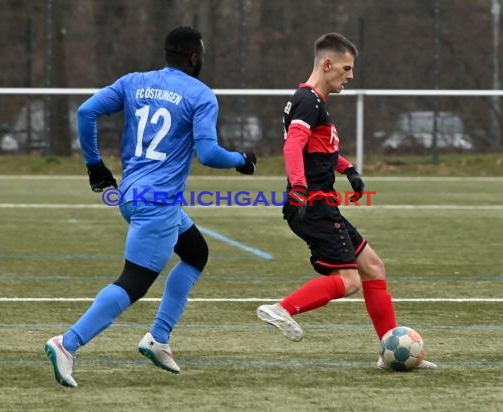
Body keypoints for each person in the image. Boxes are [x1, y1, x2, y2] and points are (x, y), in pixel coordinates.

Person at [45, 26, 257, 388]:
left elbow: (85, 112)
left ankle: (158, 338)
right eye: (201, 53)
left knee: (195, 253)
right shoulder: (201, 94)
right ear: (194, 57)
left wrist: (95, 165)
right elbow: (207, 153)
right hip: (156, 203)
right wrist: (241, 159)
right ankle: (68, 343)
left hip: (132, 194)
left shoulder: (134, 81)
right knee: (135, 282)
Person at [255, 32, 436, 370]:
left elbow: (319, 150)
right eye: (346, 68)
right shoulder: (308, 100)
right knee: (351, 280)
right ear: (327, 64)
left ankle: (387, 353)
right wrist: (298, 187)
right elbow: (293, 146)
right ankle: (281, 309)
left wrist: (348, 168)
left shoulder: (313, 102)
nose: (350, 76)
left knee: (372, 267)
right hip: (312, 204)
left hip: (321, 203)